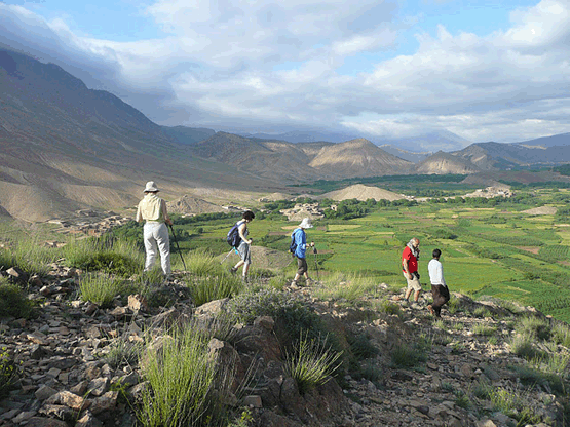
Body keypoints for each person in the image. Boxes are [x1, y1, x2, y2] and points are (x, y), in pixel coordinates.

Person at [136, 181, 173, 278]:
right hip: (159, 226)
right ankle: (166, 273)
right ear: (156, 191)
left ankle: (148, 271)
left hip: (147, 227)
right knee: (164, 251)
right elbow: (166, 218)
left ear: (146, 192)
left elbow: (138, 219)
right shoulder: (160, 201)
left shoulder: (141, 202)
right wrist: (170, 223)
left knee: (150, 252)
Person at [230, 210, 255, 281]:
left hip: (238, 245)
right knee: (247, 261)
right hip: (242, 245)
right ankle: (244, 277)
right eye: (251, 219)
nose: (250, 221)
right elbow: (240, 234)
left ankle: (233, 269)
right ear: (248, 218)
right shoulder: (243, 225)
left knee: (244, 260)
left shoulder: (238, 223)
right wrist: (247, 241)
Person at [290, 218, 315, 287]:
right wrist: (309, 245)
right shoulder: (301, 233)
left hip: (297, 251)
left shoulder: (296, 231)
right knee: (302, 268)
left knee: (304, 266)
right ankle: (294, 282)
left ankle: (308, 280)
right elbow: (301, 244)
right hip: (300, 251)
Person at [427, 248, 450, 317]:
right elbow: (440, 276)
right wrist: (444, 285)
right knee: (445, 298)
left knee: (436, 298)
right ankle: (432, 306)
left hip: (432, 282)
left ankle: (437, 315)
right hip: (439, 283)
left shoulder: (430, 263)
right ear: (440, 256)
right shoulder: (439, 264)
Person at [402, 237, 421, 303]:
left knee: (410, 287)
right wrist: (409, 273)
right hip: (410, 272)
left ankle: (405, 300)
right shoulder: (408, 250)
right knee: (418, 288)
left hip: (412, 271)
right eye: (416, 244)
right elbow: (405, 262)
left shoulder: (413, 250)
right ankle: (415, 303)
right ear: (412, 243)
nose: (418, 246)